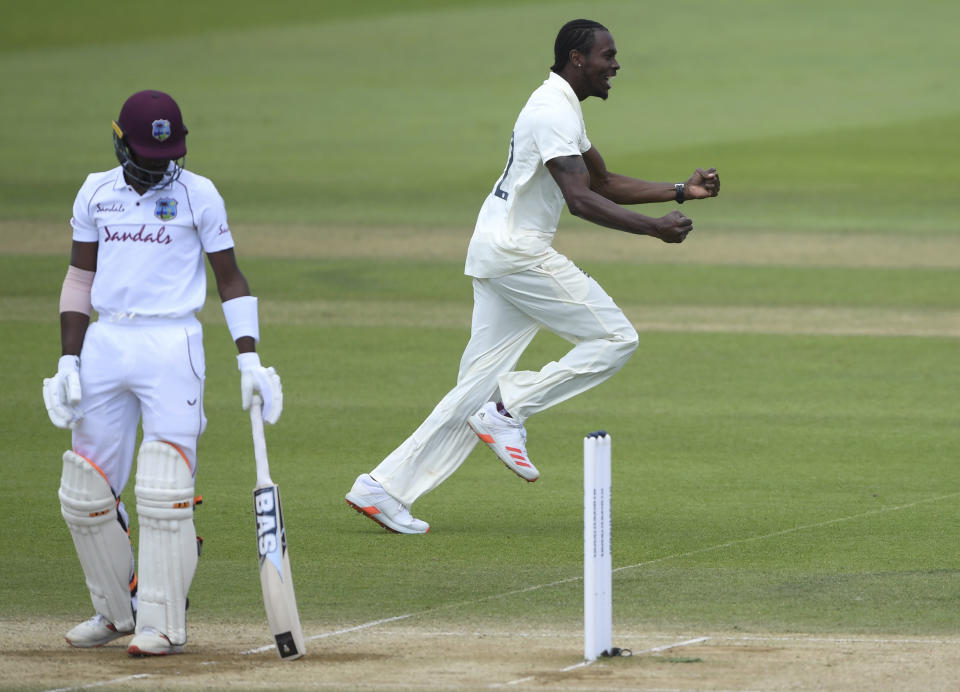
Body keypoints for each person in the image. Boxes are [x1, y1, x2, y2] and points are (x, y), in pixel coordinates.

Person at [346, 18, 720, 535]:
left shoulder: (562, 106)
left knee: (473, 392)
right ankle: (510, 408)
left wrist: (680, 190)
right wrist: (654, 230)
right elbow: (580, 199)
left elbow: (604, 181)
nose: (616, 65)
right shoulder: (550, 111)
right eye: (607, 56)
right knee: (616, 338)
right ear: (576, 59)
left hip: (498, 250)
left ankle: (381, 488)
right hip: (518, 253)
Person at [42, 90, 283, 655]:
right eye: (146, 154)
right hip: (106, 340)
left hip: (174, 342)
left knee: (164, 484)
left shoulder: (199, 195)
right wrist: (67, 360)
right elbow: (79, 279)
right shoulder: (95, 192)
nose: (158, 165)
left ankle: (163, 621)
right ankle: (114, 611)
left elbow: (230, 279)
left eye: (167, 153)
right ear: (120, 140)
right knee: (86, 487)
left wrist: (249, 357)